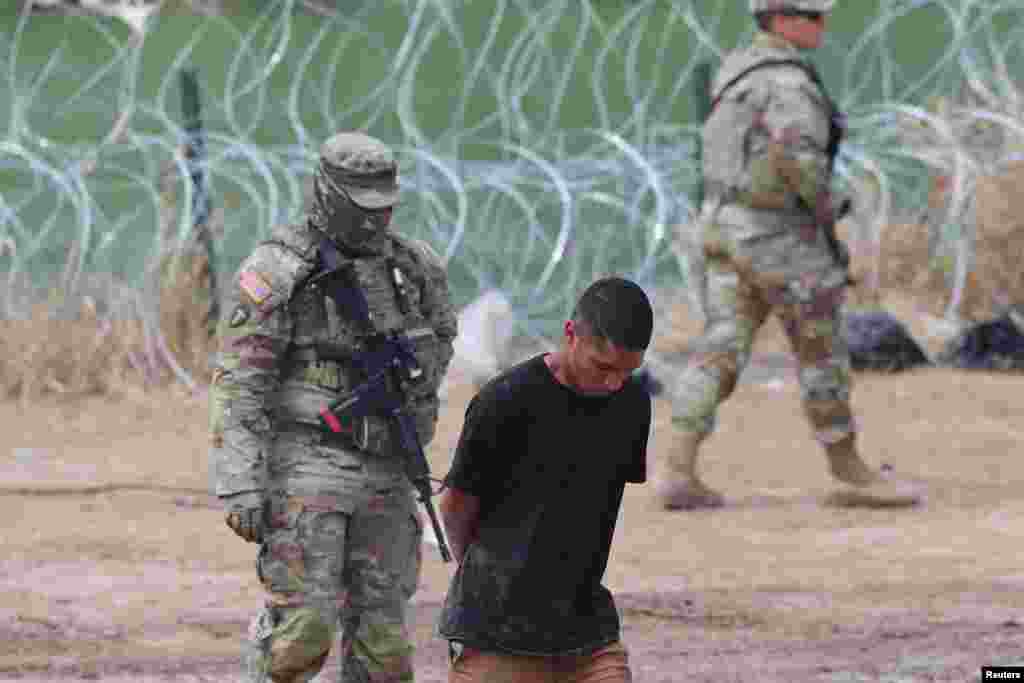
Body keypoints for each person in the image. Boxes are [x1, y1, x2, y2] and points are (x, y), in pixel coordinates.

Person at [209, 131, 457, 682]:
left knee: (385, 646)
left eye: (385, 207)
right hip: (308, 462)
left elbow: (440, 339)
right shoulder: (280, 271)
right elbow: (241, 382)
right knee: (302, 635)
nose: (375, 221)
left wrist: (413, 410)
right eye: (361, 208)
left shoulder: (414, 267)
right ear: (326, 196)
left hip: (388, 468)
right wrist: (240, 483)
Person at [658, 0, 922, 510]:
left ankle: (678, 466)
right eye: (814, 17)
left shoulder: (736, 71)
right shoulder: (787, 84)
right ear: (782, 20)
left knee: (721, 349)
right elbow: (799, 160)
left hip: (726, 230)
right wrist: (832, 208)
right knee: (821, 354)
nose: (823, 26)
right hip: (781, 240)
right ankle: (848, 469)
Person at [437, 276, 654, 683]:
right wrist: (488, 578)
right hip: (497, 629)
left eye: (628, 371)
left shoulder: (631, 403)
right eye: (603, 367)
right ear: (570, 334)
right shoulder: (504, 402)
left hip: (585, 630)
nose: (613, 383)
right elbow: (456, 505)